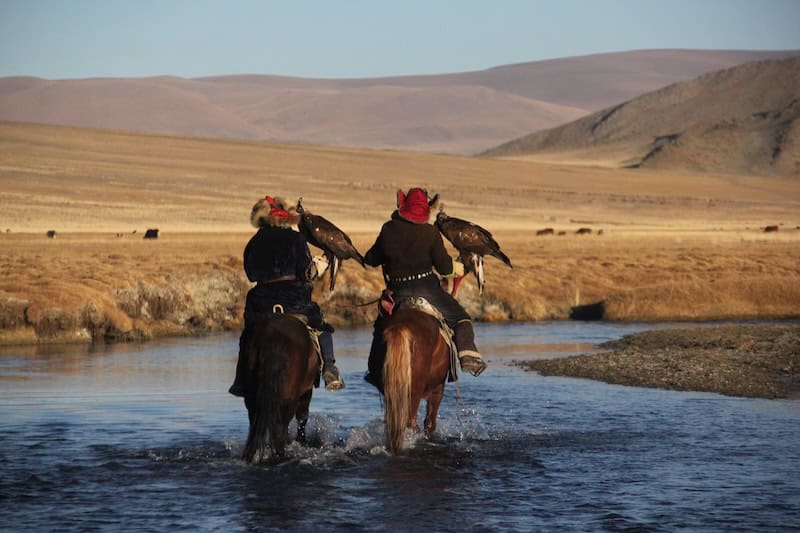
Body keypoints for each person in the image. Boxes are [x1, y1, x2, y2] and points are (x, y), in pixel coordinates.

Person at [362, 187, 487, 389]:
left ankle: (375, 370)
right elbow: (445, 268)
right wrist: (458, 268)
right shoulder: (430, 232)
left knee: (380, 329)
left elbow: (371, 259)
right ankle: (468, 356)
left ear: (403, 206)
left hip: (397, 292)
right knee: (461, 317)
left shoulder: (388, 229)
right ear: (425, 211)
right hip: (428, 290)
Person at [228, 195, 344, 396]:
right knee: (321, 326)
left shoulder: (254, 242)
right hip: (295, 301)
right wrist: (319, 266)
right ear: (287, 219)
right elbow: (306, 273)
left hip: (261, 302)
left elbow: (251, 274)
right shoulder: (296, 239)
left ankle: (241, 379)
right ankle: (330, 369)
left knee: (248, 335)